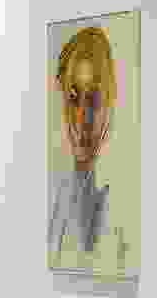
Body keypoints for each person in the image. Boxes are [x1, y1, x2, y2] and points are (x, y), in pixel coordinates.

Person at [49, 24, 117, 257]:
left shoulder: (118, 202)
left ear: (110, 103)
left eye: (94, 99)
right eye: (73, 97)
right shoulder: (56, 197)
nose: (81, 118)